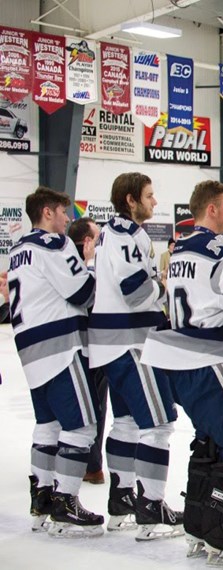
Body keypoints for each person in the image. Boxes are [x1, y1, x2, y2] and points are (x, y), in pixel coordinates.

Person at [142, 180, 223, 565]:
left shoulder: (182, 247)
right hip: (208, 358)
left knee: (210, 443)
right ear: (211, 209)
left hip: (181, 360)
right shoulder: (217, 248)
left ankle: (199, 523)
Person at [88, 172, 184, 540]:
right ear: (130, 200)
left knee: (126, 424)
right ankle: (151, 509)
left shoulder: (108, 232)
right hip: (131, 342)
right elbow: (134, 291)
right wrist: (164, 284)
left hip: (110, 344)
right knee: (158, 425)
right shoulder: (130, 234)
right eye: (149, 195)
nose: (154, 202)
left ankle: (122, 499)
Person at [8, 187, 102, 537]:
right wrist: (91, 267)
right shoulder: (55, 244)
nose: (68, 219)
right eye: (64, 212)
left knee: (47, 426)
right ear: (47, 213)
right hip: (60, 343)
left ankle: (42, 498)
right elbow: (81, 293)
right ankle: (66, 500)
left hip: (29, 348)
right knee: (81, 428)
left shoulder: (18, 250)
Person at [67, 217, 108, 486]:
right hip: (87, 345)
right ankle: (90, 465)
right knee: (94, 405)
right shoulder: (83, 268)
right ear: (87, 242)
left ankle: (85, 462)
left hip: (81, 345)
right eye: (97, 235)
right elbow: (90, 296)